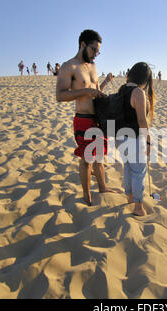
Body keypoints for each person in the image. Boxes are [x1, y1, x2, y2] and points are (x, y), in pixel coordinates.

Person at [56, 29, 116, 206]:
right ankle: (86, 193)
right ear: (83, 44)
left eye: (98, 51)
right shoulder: (69, 66)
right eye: (93, 50)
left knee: (100, 158)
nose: (96, 54)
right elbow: (60, 95)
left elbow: (95, 93)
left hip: (98, 118)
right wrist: (85, 91)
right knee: (87, 159)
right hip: (83, 119)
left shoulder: (93, 67)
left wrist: (104, 84)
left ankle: (103, 187)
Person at [118, 62, 155, 217]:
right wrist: (148, 140)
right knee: (139, 172)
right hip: (133, 138)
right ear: (145, 79)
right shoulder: (138, 93)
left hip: (120, 137)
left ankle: (130, 197)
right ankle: (138, 207)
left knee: (128, 167)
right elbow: (141, 120)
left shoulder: (122, 89)